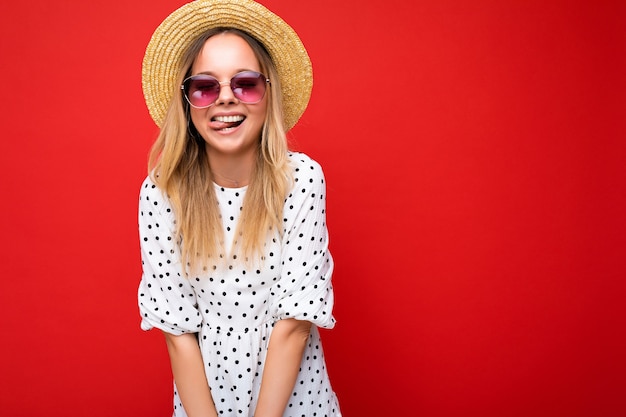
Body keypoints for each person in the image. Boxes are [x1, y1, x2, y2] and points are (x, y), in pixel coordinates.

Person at [137, 1, 341, 416]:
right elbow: (178, 333)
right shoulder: (161, 192)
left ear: (268, 94)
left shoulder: (300, 179)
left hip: (299, 405)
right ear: (188, 101)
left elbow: (294, 326)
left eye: (245, 83)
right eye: (205, 86)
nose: (226, 99)